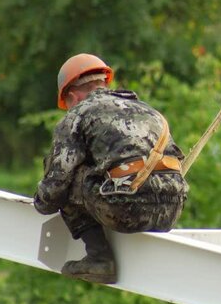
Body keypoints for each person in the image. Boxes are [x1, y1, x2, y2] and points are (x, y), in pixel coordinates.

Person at [34, 53, 189, 284]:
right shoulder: (150, 112)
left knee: (69, 180)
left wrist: (40, 201)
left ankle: (99, 258)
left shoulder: (77, 115)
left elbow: (55, 189)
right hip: (172, 210)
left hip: (127, 210)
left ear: (72, 96)